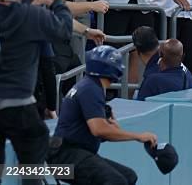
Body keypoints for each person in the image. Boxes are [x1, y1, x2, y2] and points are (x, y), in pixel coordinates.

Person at [0, 0, 72, 185]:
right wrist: (59, 2)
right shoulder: (31, 15)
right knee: (32, 161)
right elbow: (64, 30)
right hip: (18, 104)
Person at [48, 45, 158, 185]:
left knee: (129, 176)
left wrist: (114, 128)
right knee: (115, 181)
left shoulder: (90, 86)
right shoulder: (90, 89)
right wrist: (138, 136)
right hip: (66, 158)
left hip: (74, 154)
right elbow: (98, 129)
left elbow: (99, 131)